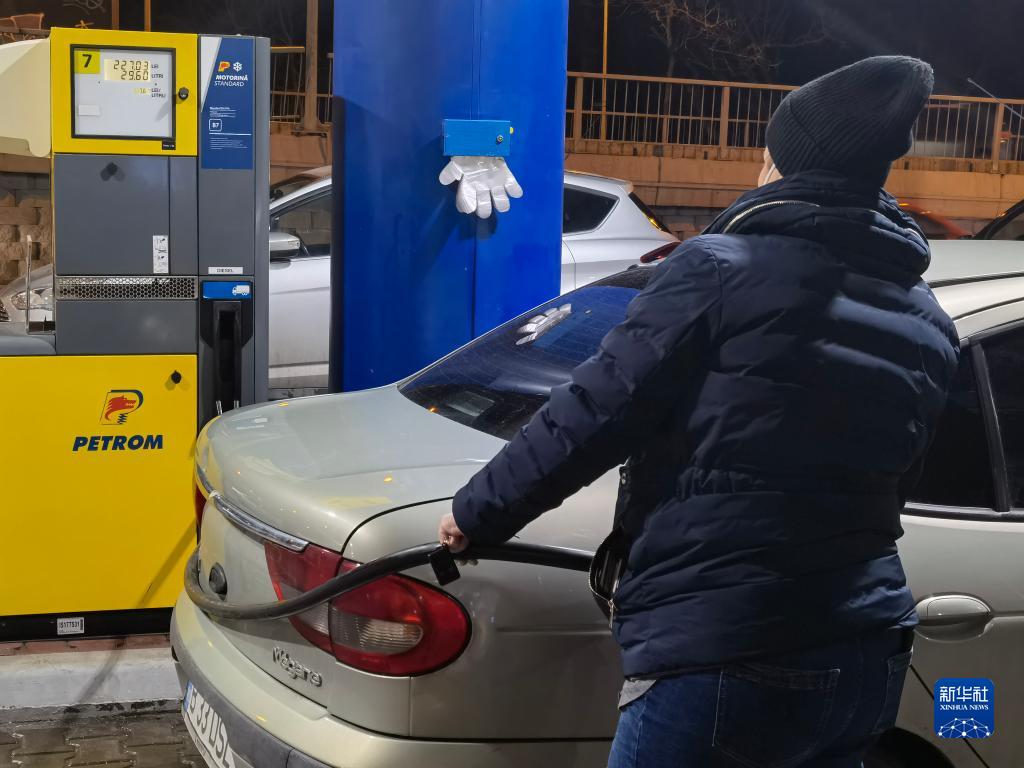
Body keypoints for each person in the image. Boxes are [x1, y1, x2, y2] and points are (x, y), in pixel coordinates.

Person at [438, 56, 959, 767]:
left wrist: (479, 512)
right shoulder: (925, 316)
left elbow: (597, 410)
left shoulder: (719, 269)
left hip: (731, 646)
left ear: (784, 165)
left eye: (766, 155)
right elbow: (895, 477)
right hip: (866, 650)